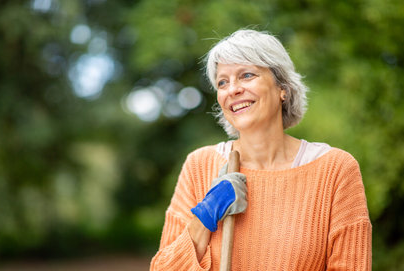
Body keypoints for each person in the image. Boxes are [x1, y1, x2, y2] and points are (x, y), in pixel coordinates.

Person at [150, 29, 372, 270]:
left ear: (282, 88)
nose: (232, 89)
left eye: (246, 75)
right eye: (223, 82)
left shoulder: (335, 170)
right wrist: (205, 215)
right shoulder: (200, 166)